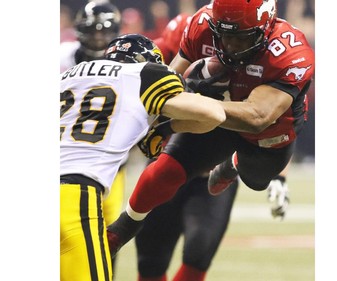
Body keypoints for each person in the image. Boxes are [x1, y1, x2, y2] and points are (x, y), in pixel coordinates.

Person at [107, 2, 315, 278]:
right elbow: (167, 81)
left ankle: (234, 163)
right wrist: (154, 123)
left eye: (241, 37)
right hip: (215, 117)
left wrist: (190, 108)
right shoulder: (201, 25)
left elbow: (257, 116)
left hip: (269, 132)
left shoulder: (290, 52)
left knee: (256, 179)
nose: (229, 45)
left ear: (266, 29)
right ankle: (121, 230)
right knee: (167, 168)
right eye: (224, 34)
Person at [60, 33, 226, 281]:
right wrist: (165, 127)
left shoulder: (68, 75)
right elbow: (214, 114)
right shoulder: (144, 74)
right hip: (73, 193)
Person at [133, 12, 239, 281]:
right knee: (150, 260)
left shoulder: (270, 49)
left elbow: (278, 116)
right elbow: (151, 66)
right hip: (169, 156)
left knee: (198, 255)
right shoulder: (190, 26)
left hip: (213, 171)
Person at [59, 2, 127, 274]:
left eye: (104, 32)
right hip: (71, 163)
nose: (98, 38)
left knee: (109, 237)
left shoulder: (127, 64)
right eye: (93, 31)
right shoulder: (62, 57)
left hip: (112, 167)